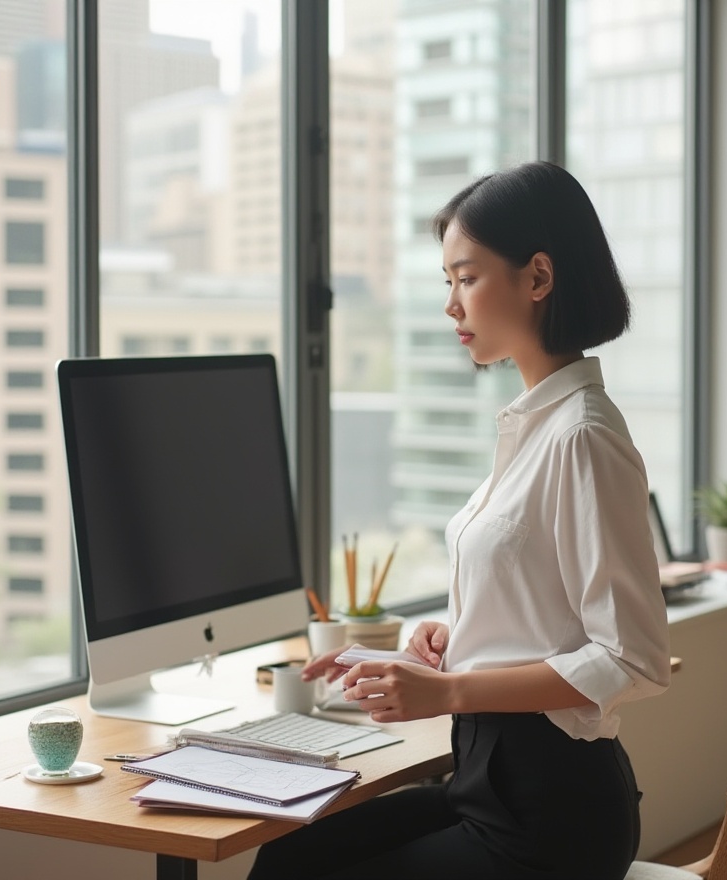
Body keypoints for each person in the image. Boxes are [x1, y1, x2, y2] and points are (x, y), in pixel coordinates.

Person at [247, 160, 671, 880]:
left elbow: (631, 658)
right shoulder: (532, 427)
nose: (451, 306)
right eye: (447, 282)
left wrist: (449, 691)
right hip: (489, 786)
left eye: (466, 278)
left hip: (553, 817)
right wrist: (455, 640)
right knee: (290, 855)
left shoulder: (582, 436)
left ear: (538, 277)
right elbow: (540, 606)